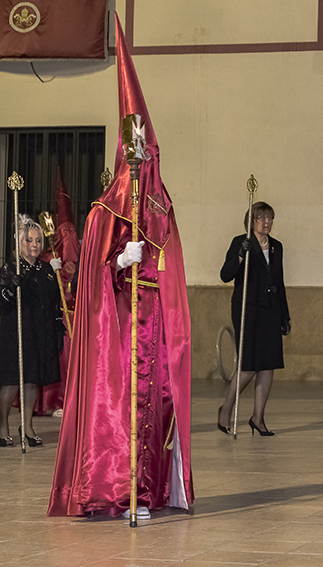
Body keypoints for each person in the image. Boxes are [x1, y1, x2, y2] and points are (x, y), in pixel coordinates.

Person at [49, 16, 193, 519]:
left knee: (157, 408)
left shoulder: (161, 207)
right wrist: (117, 261)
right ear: (125, 156)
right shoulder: (102, 213)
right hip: (119, 325)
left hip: (156, 324)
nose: (145, 165)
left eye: (150, 156)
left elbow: (173, 264)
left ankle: (150, 489)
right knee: (120, 407)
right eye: (138, 157)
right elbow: (90, 279)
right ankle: (115, 487)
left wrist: (159, 274)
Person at [218, 201, 291, 436]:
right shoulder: (241, 242)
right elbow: (225, 275)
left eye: (269, 217)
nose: (266, 222)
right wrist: (240, 257)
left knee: (268, 365)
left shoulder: (277, 247)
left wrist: (285, 315)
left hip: (270, 309)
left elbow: (279, 282)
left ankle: (258, 418)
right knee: (248, 365)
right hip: (247, 309)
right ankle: (226, 409)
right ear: (251, 221)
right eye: (260, 217)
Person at [0, 215, 65, 447]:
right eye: (29, 240)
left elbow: (54, 302)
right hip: (14, 332)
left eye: (38, 240)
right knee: (10, 382)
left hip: (39, 332)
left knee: (32, 381)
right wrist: (11, 287)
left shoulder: (47, 270)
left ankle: (27, 427)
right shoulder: (10, 268)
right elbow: (1, 301)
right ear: (19, 243)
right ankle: (2, 427)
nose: (35, 245)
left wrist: (58, 327)